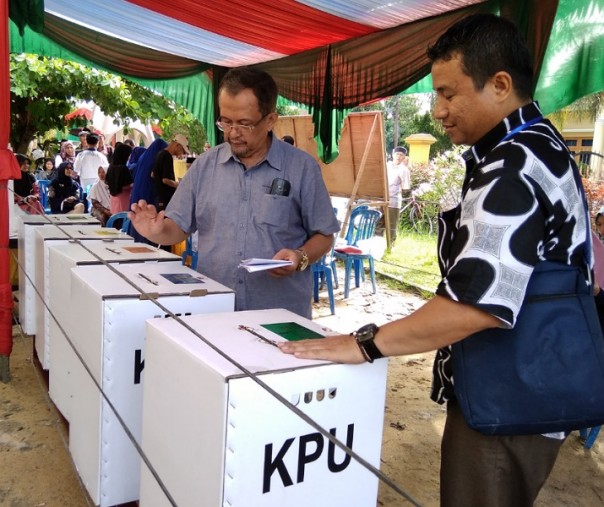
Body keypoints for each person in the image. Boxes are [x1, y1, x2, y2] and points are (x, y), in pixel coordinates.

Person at [279, 13, 590, 505]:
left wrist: (363, 344)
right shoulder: (541, 145)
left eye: (448, 93)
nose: (438, 110)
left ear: (501, 85)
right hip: (530, 383)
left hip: (506, 397)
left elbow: (475, 304)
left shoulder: (511, 166)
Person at [130, 67, 340, 318]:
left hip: (279, 313)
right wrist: (158, 231)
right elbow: (178, 226)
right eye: (225, 122)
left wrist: (300, 257)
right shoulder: (205, 166)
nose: (232, 133)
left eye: (244, 124)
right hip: (214, 309)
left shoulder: (301, 168)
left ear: (270, 120)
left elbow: (325, 235)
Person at [151, 134, 189, 211]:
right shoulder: (167, 156)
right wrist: (178, 185)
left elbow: (153, 174)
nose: (181, 153)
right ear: (177, 145)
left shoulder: (160, 154)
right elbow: (165, 180)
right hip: (165, 199)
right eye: (182, 150)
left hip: (159, 197)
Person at [383, 146, 411, 242]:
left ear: (404, 157)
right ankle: (375, 244)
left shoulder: (404, 170)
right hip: (381, 199)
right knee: (378, 224)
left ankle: (390, 246)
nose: (398, 156)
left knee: (391, 226)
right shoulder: (385, 165)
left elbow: (406, 187)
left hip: (394, 201)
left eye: (401, 155)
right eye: (397, 154)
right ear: (392, 155)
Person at [106, 142, 134, 214]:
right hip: (124, 199)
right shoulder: (123, 168)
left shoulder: (111, 167)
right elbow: (127, 185)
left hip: (113, 198)